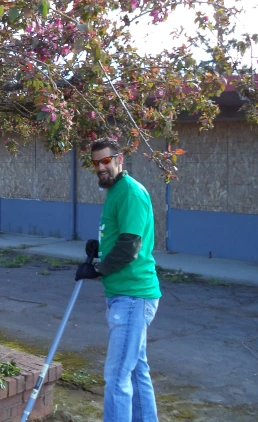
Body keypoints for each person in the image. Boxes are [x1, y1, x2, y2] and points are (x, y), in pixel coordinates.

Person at [75, 137, 162, 422]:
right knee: (136, 371)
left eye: (106, 160)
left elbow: (130, 245)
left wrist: (98, 269)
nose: (101, 167)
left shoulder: (129, 192)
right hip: (125, 294)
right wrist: (98, 249)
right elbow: (119, 236)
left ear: (119, 159)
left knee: (116, 377)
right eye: (96, 162)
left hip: (133, 295)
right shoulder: (114, 191)